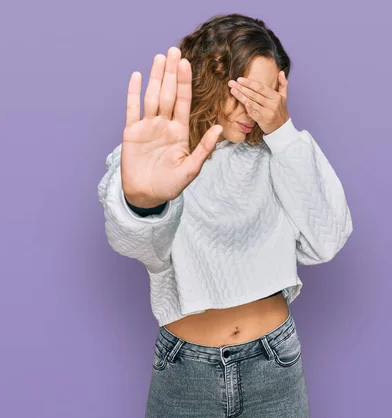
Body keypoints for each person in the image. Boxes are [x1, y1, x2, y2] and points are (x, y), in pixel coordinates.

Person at [97, 13, 353, 418]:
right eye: (244, 91)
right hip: (185, 371)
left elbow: (328, 239)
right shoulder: (158, 158)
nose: (252, 109)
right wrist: (144, 201)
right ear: (210, 78)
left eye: (267, 95)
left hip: (274, 362)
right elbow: (138, 244)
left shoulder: (279, 154)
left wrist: (283, 132)